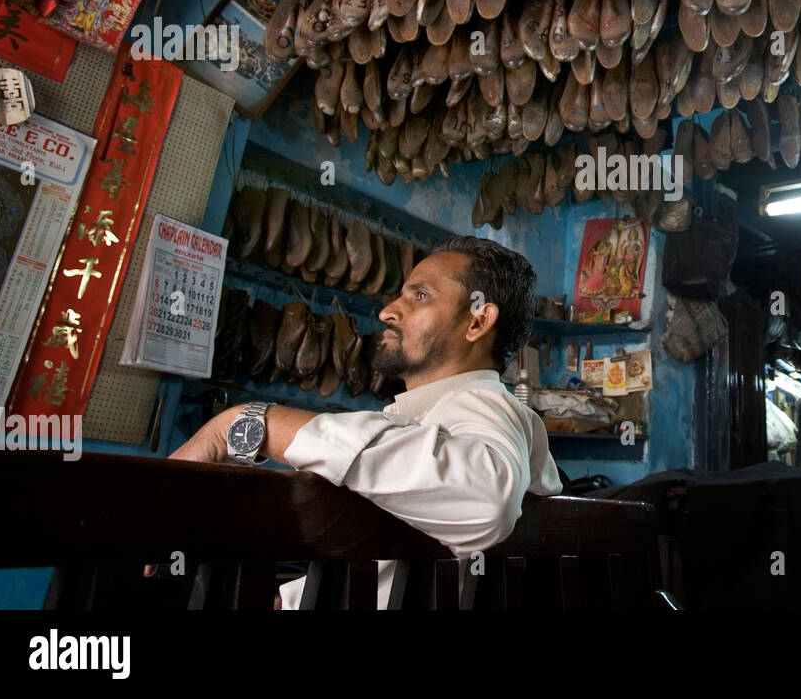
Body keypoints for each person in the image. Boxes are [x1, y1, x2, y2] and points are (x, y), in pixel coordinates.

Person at [157, 235, 563, 609]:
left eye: (420, 295)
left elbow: (487, 502)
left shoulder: (485, 405)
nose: (387, 311)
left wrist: (248, 423)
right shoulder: (438, 418)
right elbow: (393, 571)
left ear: (476, 321)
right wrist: (290, 599)